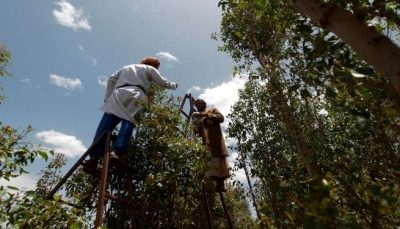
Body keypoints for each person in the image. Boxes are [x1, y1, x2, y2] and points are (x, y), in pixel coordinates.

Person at [84, 57, 178, 173]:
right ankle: (116, 152)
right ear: (154, 66)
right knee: (128, 121)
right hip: (136, 94)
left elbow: (111, 79)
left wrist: (108, 98)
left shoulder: (127, 67)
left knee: (106, 125)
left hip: (118, 93)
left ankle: (93, 158)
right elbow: (163, 83)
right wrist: (174, 85)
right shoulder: (150, 69)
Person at [192, 99, 231, 192]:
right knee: (212, 165)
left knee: (220, 163)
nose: (198, 105)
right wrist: (195, 125)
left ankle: (221, 184)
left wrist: (207, 115)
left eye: (199, 103)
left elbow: (221, 118)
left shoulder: (212, 110)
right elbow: (197, 134)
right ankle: (215, 185)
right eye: (196, 104)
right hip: (207, 144)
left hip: (216, 141)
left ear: (204, 104)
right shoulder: (198, 117)